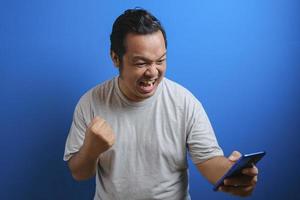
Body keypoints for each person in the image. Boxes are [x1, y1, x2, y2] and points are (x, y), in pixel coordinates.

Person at [63, 8, 259, 200]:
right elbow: (79, 173)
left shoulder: (185, 102)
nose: (153, 72)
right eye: (141, 63)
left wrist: (235, 175)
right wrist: (92, 149)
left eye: (160, 61)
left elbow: (209, 162)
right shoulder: (90, 103)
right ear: (115, 58)